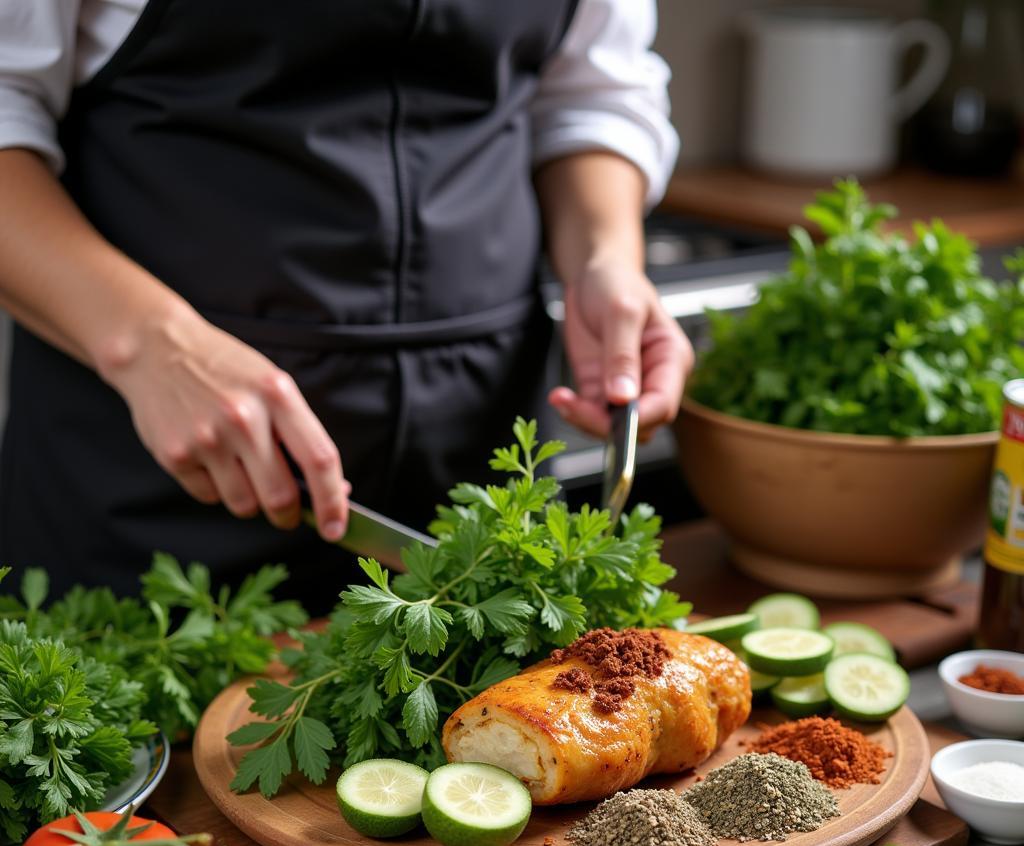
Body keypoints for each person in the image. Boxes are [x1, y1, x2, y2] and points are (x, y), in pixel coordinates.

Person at [0, 0, 691, 612]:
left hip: (481, 450)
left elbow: (587, 94)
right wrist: (151, 345)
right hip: (152, 479)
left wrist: (605, 258)